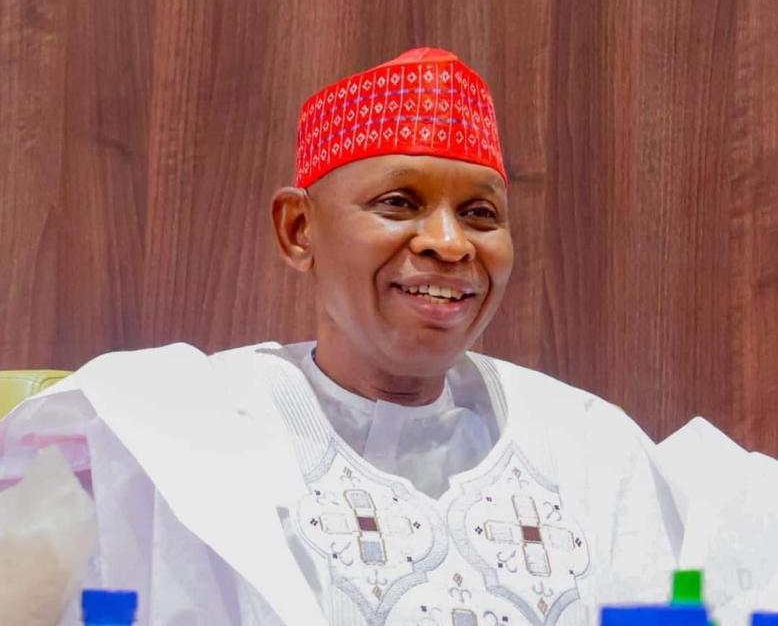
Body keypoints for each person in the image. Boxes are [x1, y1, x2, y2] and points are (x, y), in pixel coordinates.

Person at [0, 49, 773, 624]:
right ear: (298, 230)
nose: (450, 243)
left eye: (480, 213)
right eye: (399, 202)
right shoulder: (177, 431)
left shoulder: (584, 444)